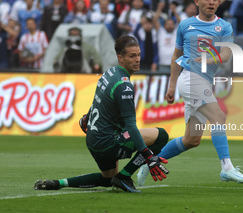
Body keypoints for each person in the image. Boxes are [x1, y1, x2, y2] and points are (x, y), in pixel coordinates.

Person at [137, 0, 243, 186]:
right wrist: (171, 86)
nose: (211, 2)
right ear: (197, 1)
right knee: (218, 117)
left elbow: (226, 53)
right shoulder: (185, 25)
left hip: (204, 82)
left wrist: (210, 58)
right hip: (190, 78)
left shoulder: (224, 26)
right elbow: (176, 55)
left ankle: (149, 162)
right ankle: (227, 168)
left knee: (192, 140)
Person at [34, 35, 169, 193]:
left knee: (107, 179)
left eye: (138, 55)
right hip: (108, 142)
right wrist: (148, 156)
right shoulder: (124, 86)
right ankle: (124, 176)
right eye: (132, 56)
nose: (137, 59)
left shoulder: (109, 73)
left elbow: (98, 101)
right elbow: (131, 126)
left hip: (93, 140)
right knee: (161, 135)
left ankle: (57, 183)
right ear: (120, 58)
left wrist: (87, 118)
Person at [153, 1, 178, 73]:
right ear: (164, 25)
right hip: (162, 64)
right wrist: (159, 8)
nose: (170, 25)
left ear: (174, 25)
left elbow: (180, 22)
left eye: (171, 24)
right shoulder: (161, 32)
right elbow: (155, 20)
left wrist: (174, 11)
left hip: (175, 64)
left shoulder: (176, 32)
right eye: (168, 24)